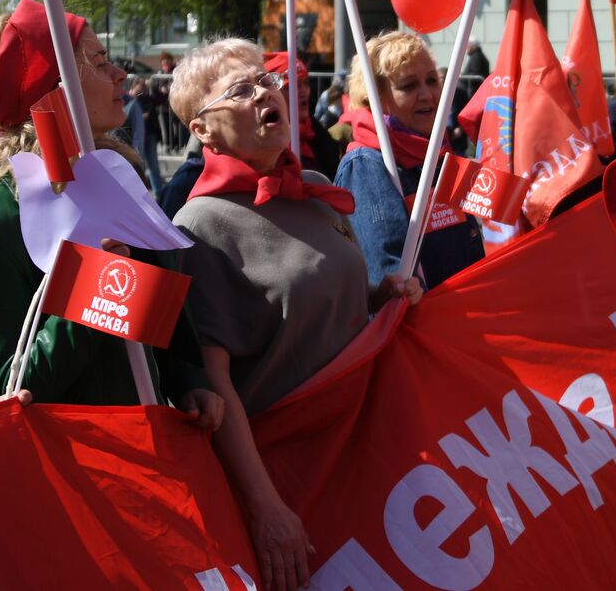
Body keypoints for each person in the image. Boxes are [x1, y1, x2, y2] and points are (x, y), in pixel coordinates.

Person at [168, 37, 421, 591]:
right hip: (298, 472)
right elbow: (215, 383)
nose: (265, 91)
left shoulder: (317, 191)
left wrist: (386, 297)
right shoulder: (198, 227)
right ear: (202, 129)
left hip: (374, 449)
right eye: (241, 89)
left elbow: (335, 307)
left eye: (267, 81)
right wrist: (266, 508)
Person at [0, 0, 220, 418]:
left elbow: (151, 316)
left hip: (152, 442)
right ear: (54, 84)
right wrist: (95, 289)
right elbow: (15, 385)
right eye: (101, 60)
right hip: (80, 465)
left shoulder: (117, 178)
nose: (121, 73)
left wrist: (186, 380)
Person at [334, 31, 484, 291]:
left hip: (466, 320)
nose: (426, 94)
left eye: (431, 80)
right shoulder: (367, 164)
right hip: (428, 326)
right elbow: (389, 276)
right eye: (409, 86)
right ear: (376, 99)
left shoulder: (438, 152)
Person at [264, 52, 341, 180]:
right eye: (292, 86)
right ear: (271, 94)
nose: (304, 92)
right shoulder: (263, 144)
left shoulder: (319, 136)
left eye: (306, 83)